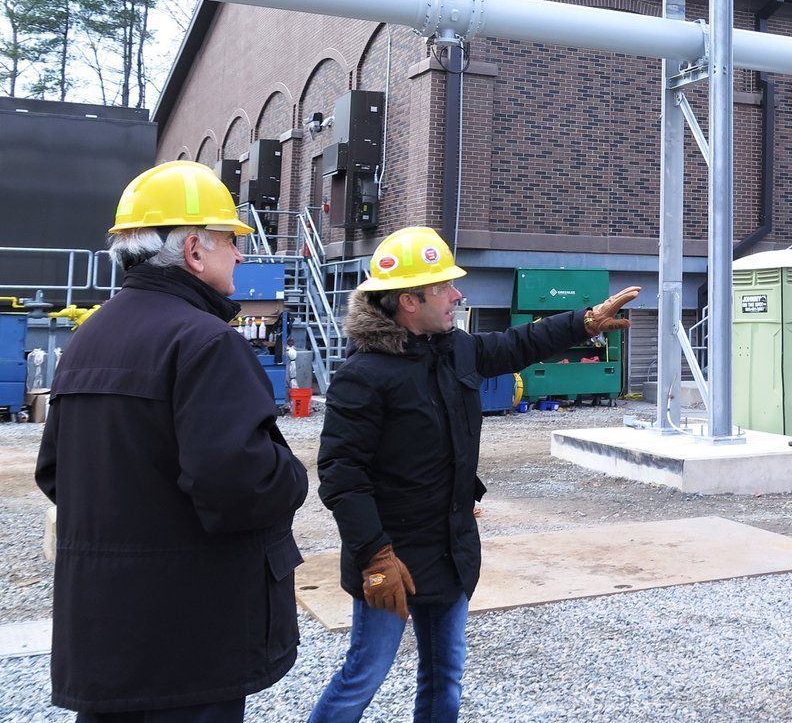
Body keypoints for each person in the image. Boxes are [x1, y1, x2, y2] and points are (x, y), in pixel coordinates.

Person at [311, 226, 638, 722]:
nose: (457, 295)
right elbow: (340, 473)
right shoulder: (364, 375)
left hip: (451, 549)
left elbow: (517, 343)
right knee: (365, 673)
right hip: (390, 556)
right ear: (408, 302)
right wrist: (374, 555)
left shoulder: (453, 348)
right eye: (443, 287)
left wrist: (585, 322)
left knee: (445, 675)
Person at [35, 161, 309, 723]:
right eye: (231, 240)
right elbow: (243, 484)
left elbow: (56, 473)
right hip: (191, 638)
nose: (240, 254)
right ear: (193, 251)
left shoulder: (90, 337)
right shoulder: (204, 341)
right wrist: (293, 472)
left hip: (109, 633)